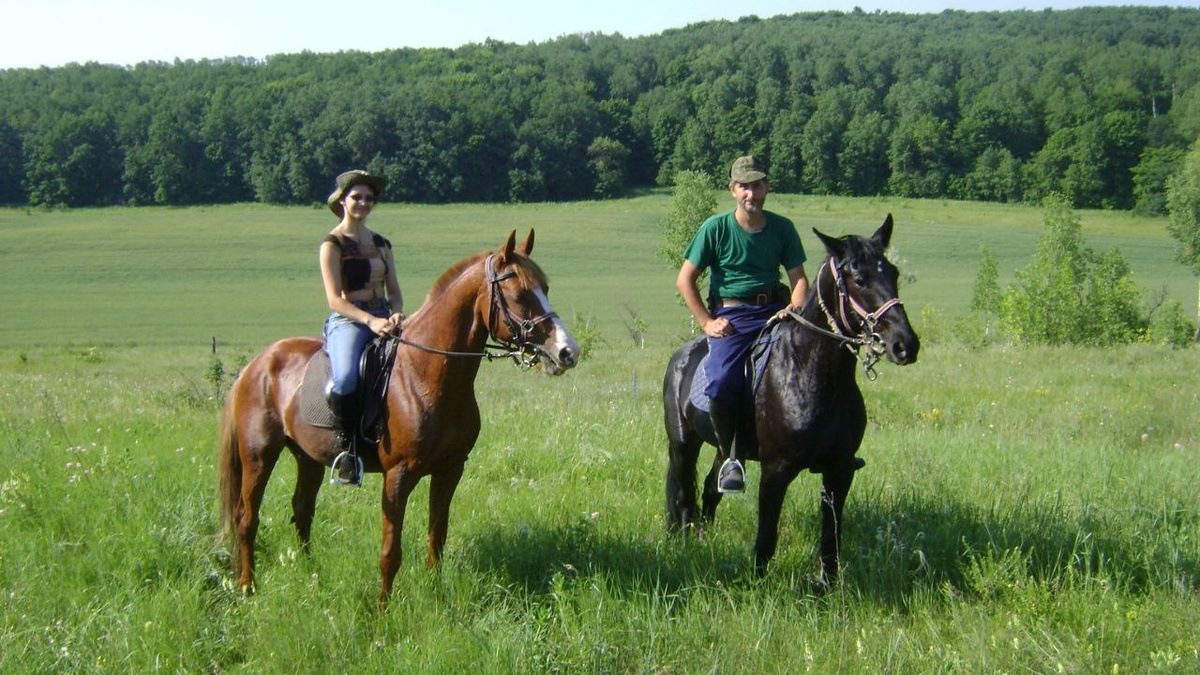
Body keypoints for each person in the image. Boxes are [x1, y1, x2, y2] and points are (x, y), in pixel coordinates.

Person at [675, 155, 809, 494]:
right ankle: (730, 457)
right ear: (733, 189)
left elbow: (799, 281)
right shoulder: (715, 228)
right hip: (732, 317)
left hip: (776, 312)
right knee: (720, 381)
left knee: (814, 364)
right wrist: (706, 322)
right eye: (744, 186)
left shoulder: (783, 228)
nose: (752, 193)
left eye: (758, 184)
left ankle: (828, 445)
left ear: (767, 187)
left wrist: (793, 308)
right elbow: (685, 279)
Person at [319, 169, 405, 486]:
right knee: (345, 380)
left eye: (369, 198)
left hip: (384, 316)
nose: (363, 203)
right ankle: (348, 452)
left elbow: (394, 290)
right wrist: (370, 320)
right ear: (342, 201)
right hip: (349, 321)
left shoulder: (382, 244)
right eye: (357, 197)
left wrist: (396, 314)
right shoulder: (333, 244)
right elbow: (334, 300)